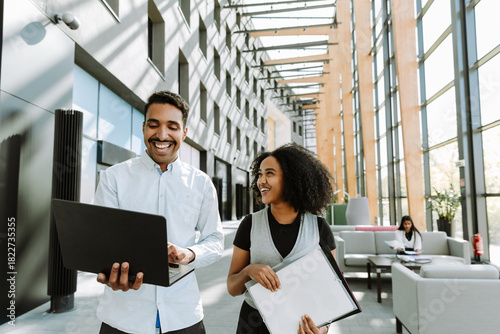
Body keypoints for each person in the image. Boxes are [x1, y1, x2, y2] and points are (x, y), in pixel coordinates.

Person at [93, 91, 224, 334]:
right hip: (122, 318)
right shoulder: (114, 178)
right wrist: (107, 268)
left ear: (184, 132)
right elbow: (102, 240)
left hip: (183, 316)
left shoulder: (201, 183)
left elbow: (215, 240)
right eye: (153, 125)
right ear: (143, 128)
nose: (162, 135)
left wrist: (190, 253)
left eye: (172, 127)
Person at [227, 143, 336, 334]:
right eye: (260, 174)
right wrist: (249, 271)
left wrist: (323, 327)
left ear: (292, 179)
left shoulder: (319, 228)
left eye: (269, 173)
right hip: (254, 325)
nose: (261, 181)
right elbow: (232, 287)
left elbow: (332, 291)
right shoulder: (250, 224)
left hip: (300, 326)